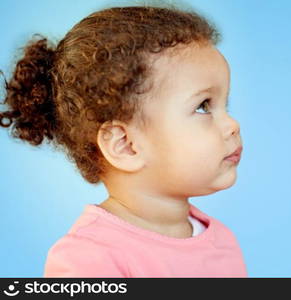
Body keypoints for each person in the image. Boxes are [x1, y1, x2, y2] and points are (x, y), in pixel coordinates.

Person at [0, 4, 247, 277]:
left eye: (226, 105)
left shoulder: (222, 242)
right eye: (203, 106)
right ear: (125, 145)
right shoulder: (89, 262)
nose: (232, 126)